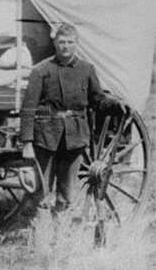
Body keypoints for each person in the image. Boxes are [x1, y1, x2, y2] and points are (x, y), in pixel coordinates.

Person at [19, 23, 127, 213]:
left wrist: (115, 105)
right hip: (46, 137)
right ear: (55, 43)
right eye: (61, 42)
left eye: (70, 42)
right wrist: (27, 142)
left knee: (67, 192)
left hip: (74, 138)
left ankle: (59, 229)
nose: (65, 46)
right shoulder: (41, 71)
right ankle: (39, 231)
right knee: (39, 190)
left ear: (76, 43)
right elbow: (28, 108)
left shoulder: (86, 69)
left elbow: (97, 100)